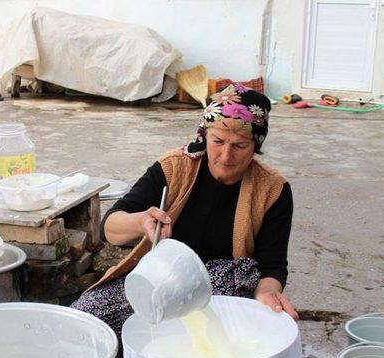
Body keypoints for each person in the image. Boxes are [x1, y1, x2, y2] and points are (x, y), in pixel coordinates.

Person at [72, 84, 298, 337]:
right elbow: (109, 227)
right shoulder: (174, 167)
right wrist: (141, 221)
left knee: (221, 302)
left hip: (223, 291)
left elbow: (272, 265)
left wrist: (267, 293)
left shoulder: (273, 190)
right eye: (218, 141)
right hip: (161, 280)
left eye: (240, 145)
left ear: (256, 144)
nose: (225, 156)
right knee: (85, 319)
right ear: (204, 134)